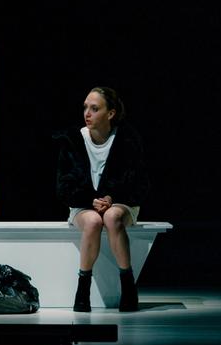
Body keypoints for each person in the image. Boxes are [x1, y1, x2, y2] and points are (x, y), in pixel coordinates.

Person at [53, 86, 150, 312]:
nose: (87, 113)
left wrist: (111, 197)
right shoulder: (72, 140)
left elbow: (139, 182)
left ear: (111, 113)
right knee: (94, 221)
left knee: (112, 217)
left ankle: (128, 285)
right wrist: (91, 199)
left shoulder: (127, 139)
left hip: (121, 202)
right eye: (85, 107)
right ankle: (83, 288)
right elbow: (64, 187)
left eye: (95, 108)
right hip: (83, 205)